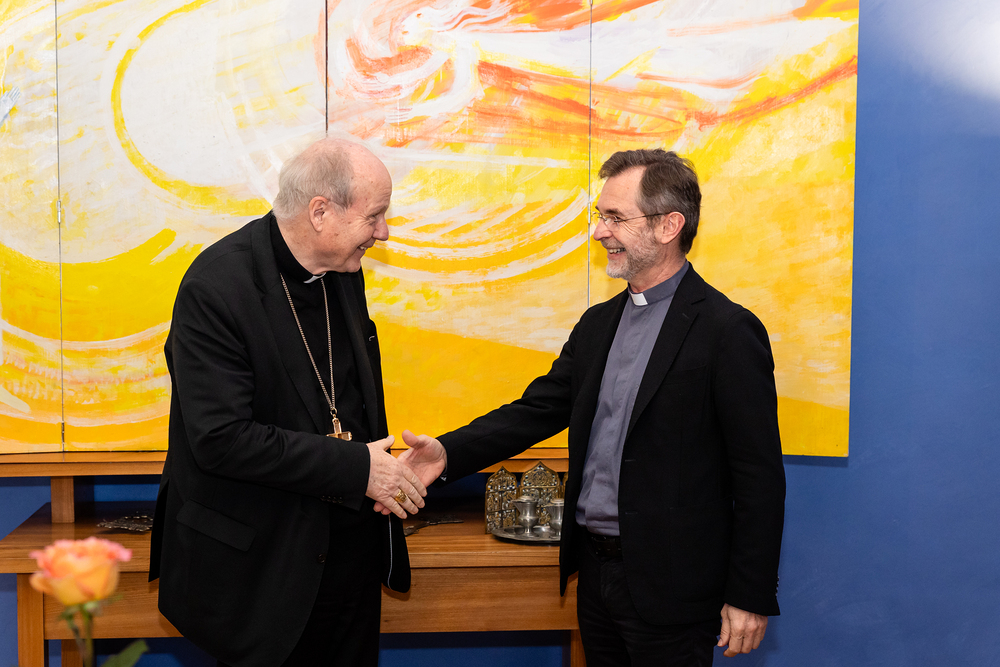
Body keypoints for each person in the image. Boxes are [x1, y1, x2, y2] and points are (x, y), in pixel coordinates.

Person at [397, 149, 786, 666]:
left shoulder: (728, 330)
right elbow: (535, 410)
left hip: (673, 590)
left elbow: (759, 476)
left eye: (615, 217)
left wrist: (749, 594)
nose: (600, 231)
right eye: (601, 216)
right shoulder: (598, 324)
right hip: (594, 578)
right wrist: (447, 453)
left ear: (669, 225)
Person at [149, 138, 432, 667]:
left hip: (347, 556)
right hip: (261, 570)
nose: (384, 232)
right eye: (374, 216)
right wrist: (356, 467)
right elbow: (221, 439)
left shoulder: (342, 269)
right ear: (320, 212)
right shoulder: (217, 286)